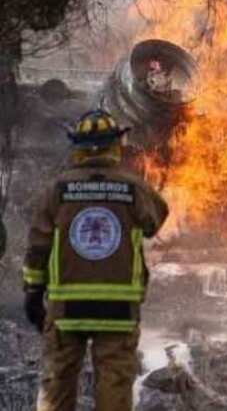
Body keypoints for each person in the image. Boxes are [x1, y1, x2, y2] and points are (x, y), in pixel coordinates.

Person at [22, 109, 169, 410]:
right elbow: (155, 221)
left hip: (66, 309)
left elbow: (38, 246)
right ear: (115, 145)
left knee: (57, 385)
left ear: (76, 147)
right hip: (118, 308)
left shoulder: (57, 190)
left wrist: (33, 294)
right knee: (114, 386)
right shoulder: (133, 187)